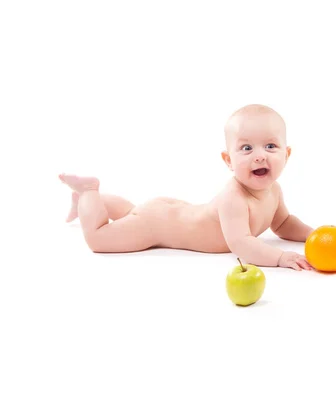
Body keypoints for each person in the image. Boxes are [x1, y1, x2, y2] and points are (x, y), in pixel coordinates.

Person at [59, 104, 315, 271]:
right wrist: (281, 258)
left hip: (165, 213)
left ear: (286, 154)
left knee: (132, 213)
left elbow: (282, 224)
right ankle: (89, 193)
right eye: (246, 148)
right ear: (228, 160)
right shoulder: (234, 198)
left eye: (270, 146)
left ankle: (91, 200)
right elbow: (241, 244)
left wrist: (312, 234)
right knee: (98, 239)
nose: (259, 156)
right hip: (156, 227)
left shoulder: (274, 191)